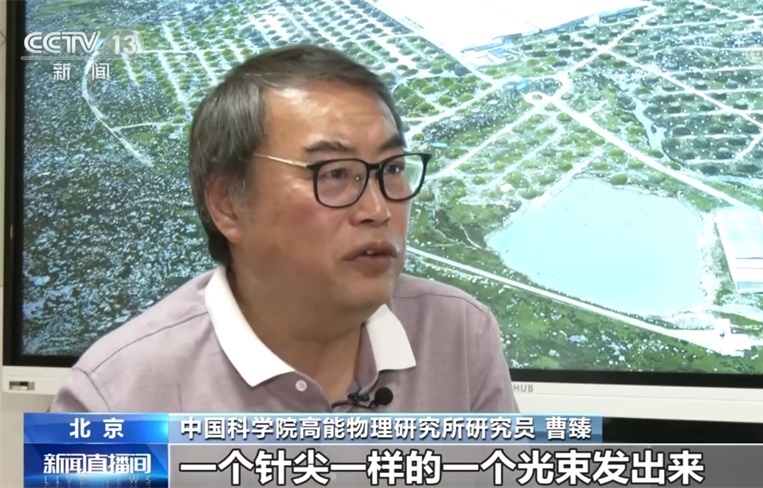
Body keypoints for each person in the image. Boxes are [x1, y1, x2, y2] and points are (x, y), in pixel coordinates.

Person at [49, 44, 519, 413]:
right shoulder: (115, 395)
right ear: (228, 204)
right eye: (335, 174)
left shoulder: (460, 336)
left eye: (392, 168)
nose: (377, 209)